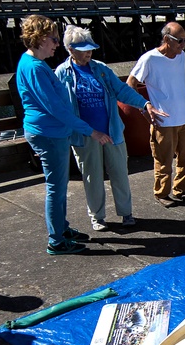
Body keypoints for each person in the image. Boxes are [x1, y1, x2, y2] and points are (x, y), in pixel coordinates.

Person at [15, 15, 112, 255]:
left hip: (50, 132)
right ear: (39, 39)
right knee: (56, 187)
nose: (57, 44)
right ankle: (56, 240)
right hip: (49, 134)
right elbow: (56, 109)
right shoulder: (36, 68)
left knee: (58, 184)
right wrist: (91, 131)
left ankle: (61, 227)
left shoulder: (31, 63)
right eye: (54, 39)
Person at [56, 25, 168, 231]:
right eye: (83, 49)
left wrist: (145, 104)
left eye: (90, 48)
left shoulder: (101, 69)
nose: (89, 52)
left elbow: (122, 90)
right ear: (70, 49)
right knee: (92, 177)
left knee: (119, 173)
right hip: (85, 136)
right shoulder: (62, 73)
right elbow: (60, 108)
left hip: (112, 131)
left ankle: (126, 213)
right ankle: (97, 217)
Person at [127, 21, 185, 207]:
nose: (183, 45)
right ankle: (162, 193)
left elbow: (180, 83)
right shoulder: (149, 59)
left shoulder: (181, 57)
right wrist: (143, 108)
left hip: (184, 117)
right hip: (163, 120)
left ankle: (180, 189)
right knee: (163, 160)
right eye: (180, 41)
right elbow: (131, 83)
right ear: (166, 39)